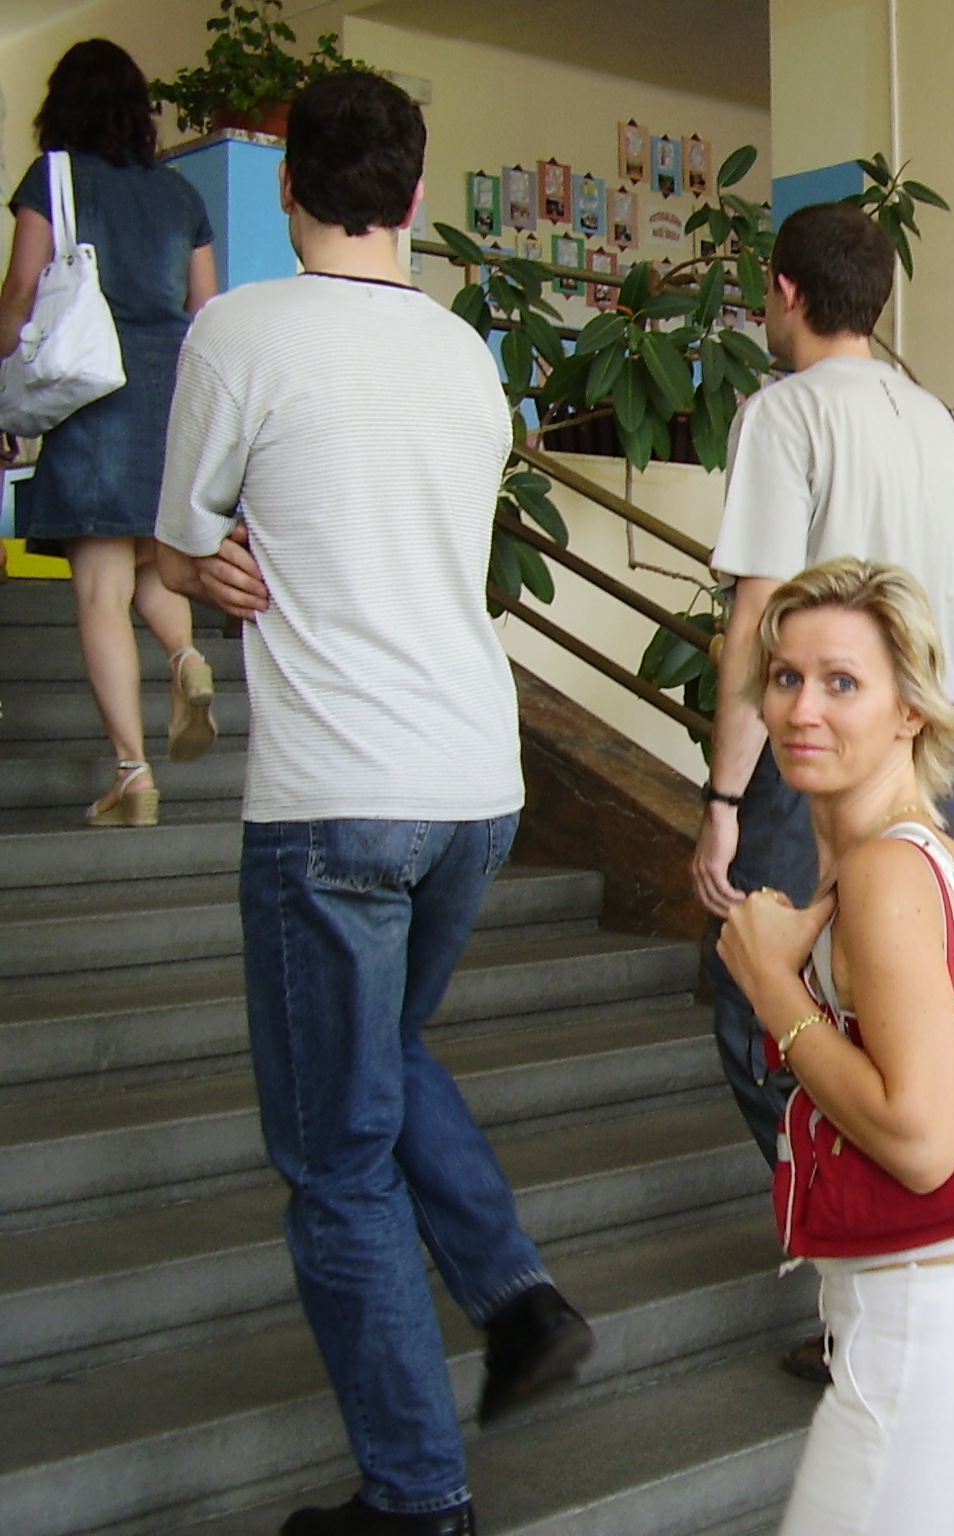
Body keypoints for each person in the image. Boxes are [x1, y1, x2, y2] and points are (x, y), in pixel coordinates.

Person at [153, 72, 591, 1536]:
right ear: (412, 195)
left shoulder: (240, 330)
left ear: (286, 189)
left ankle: (417, 1499)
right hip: (473, 780)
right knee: (384, 1052)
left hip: (335, 798)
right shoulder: (465, 356)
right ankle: (517, 1298)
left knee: (334, 1162)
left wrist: (203, 565)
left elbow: (177, 539)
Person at [716, 558, 954, 1536]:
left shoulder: (884, 875)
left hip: (930, 1329)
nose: (801, 710)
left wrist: (770, 986)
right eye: (785, 677)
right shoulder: (935, 858)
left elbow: (920, 1141)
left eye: (842, 682)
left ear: (911, 708)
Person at [693, 199, 954, 1275]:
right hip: (925, 754)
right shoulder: (940, 423)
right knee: (895, 1009)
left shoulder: (784, 415)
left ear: (786, 291)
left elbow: (758, 620)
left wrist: (724, 800)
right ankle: (888, 1235)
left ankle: (857, 1240)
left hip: (820, 767)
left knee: (758, 998)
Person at [0, 38, 219, 826]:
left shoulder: (54, 178)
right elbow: (205, 311)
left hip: (94, 399)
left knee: (100, 589)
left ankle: (133, 775)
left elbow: (21, 292)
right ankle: (187, 658)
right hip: (170, 400)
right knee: (151, 563)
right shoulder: (181, 195)